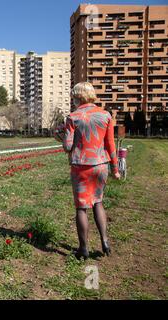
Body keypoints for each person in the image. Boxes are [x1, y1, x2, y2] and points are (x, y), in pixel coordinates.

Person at [55, 82, 120, 259]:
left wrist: (59, 135)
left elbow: (68, 146)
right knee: (98, 202)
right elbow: (110, 144)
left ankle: (83, 249)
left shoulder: (73, 117)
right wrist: (115, 169)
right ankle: (105, 241)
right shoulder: (105, 115)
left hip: (81, 167)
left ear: (77, 97)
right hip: (100, 165)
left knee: (82, 208)